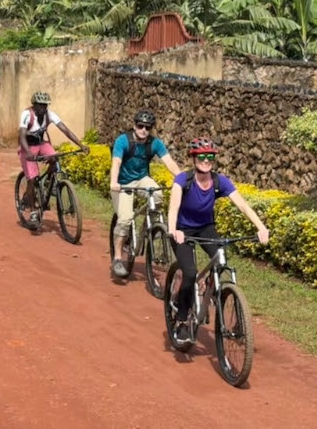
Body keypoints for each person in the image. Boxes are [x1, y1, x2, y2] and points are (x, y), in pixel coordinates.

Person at [166, 137, 269, 345]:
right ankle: (183, 320)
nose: (206, 161)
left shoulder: (219, 181)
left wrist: (261, 227)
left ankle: (230, 310)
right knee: (190, 272)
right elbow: (173, 208)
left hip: (205, 228)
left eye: (210, 157)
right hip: (182, 230)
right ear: (193, 159)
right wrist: (173, 230)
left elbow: (243, 206)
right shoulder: (183, 180)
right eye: (202, 157)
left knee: (221, 261)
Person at [109, 110, 182, 278]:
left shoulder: (154, 143)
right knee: (126, 218)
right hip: (123, 183)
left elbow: (169, 162)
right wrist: (114, 182)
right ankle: (118, 258)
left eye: (147, 128)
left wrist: (181, 180)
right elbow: (116, 162)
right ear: (134, 125)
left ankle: (149, 226)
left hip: (142, 179)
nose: (143, 130)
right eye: (140, 126)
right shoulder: (123, 140)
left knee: (157, 196)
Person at [18, 91, 89, 223]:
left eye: (45, 105)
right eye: (40, 105)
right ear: (34, 105)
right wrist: (28, 153)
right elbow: (21, 136)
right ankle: (33, 211)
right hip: (27, 147)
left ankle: (47, 183)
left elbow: (65, 130)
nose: (43, 108)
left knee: (54, 157)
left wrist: (81, 145)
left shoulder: (49, 115)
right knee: (32, 179)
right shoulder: (27, 114)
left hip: (41, 144)